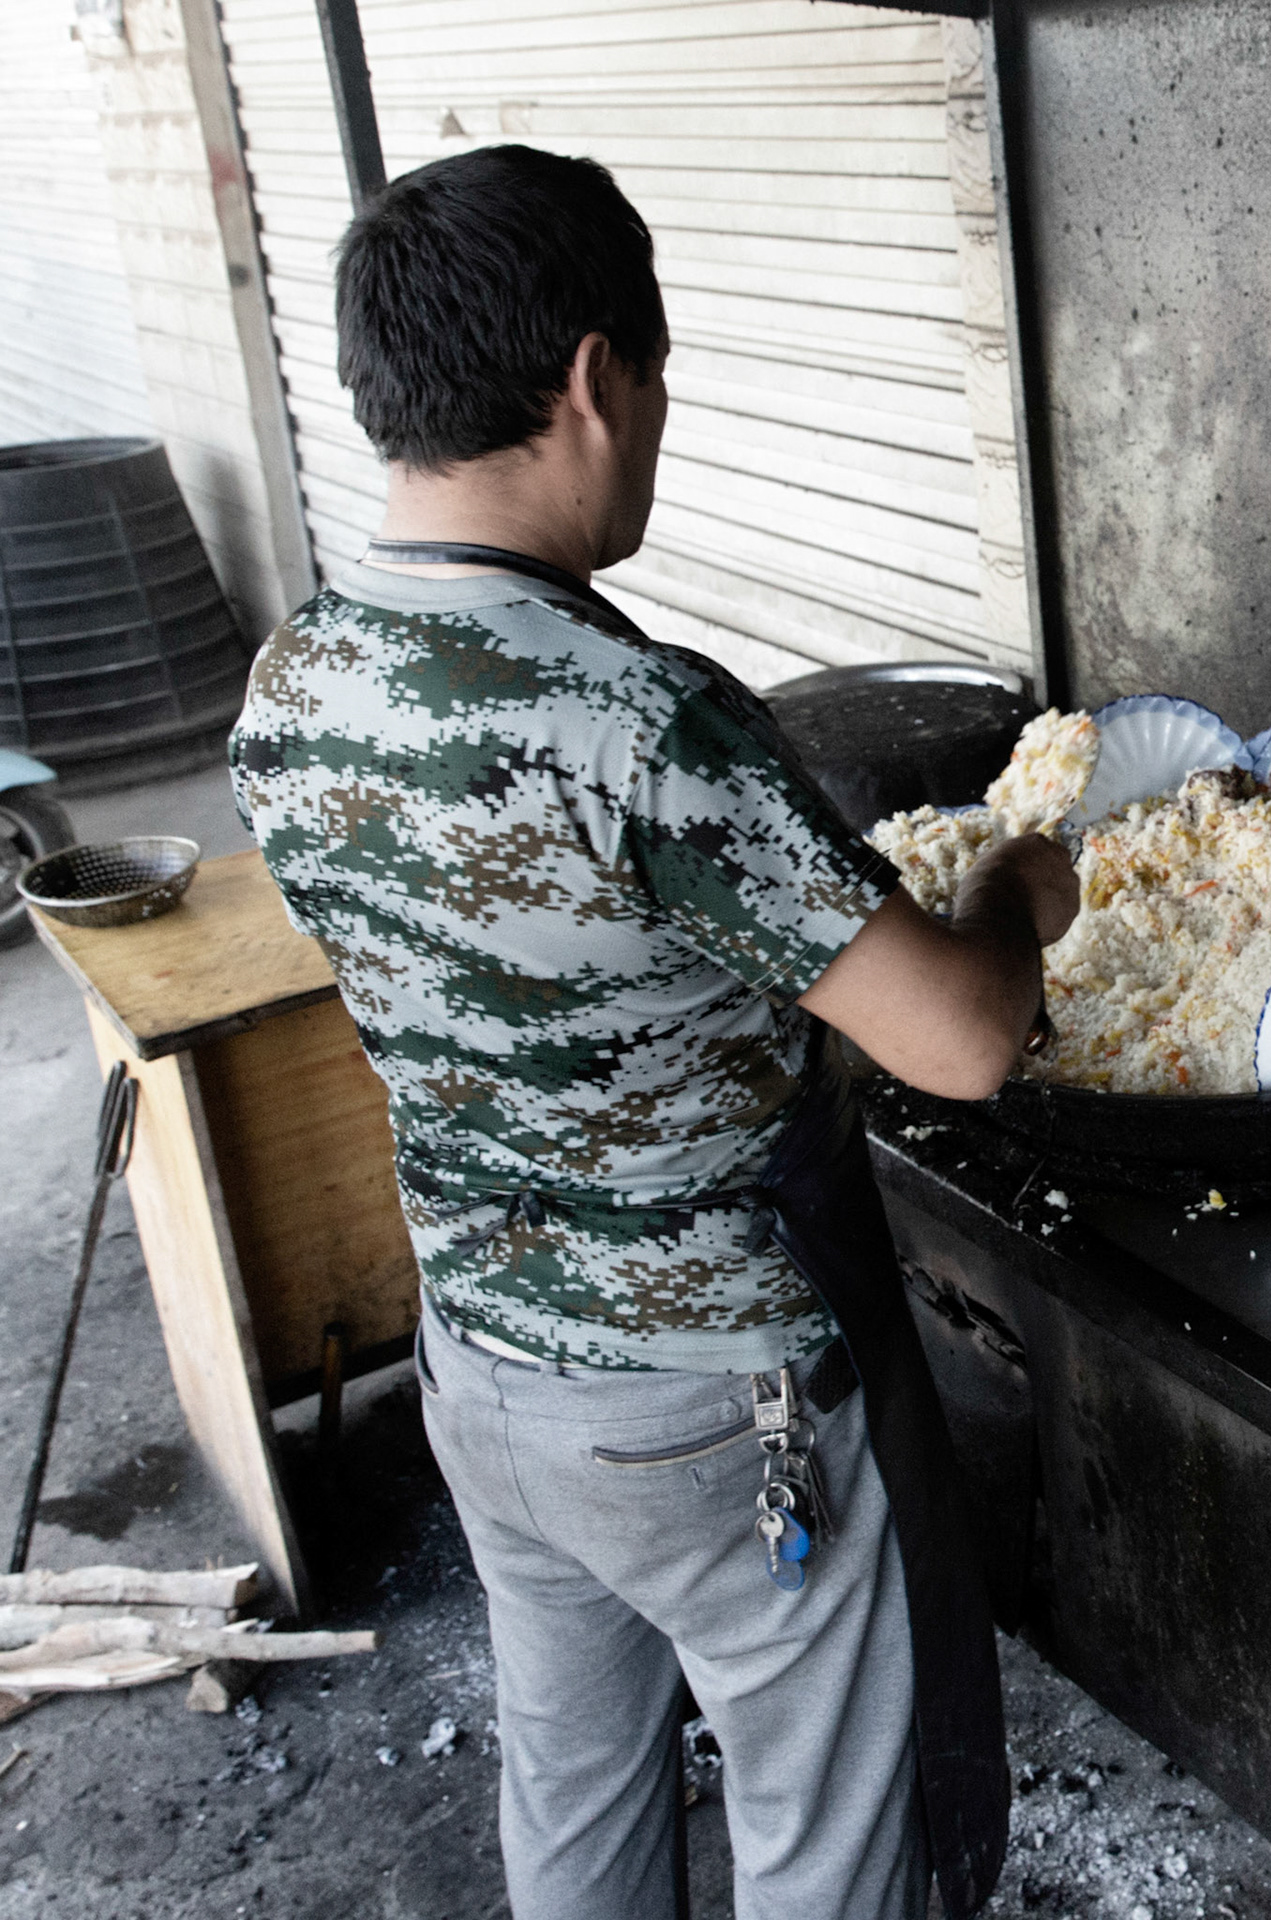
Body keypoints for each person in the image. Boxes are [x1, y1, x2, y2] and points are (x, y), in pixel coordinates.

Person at [228, 144, 1077, 1920]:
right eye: (666, 380)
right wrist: (1021, 889)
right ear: (599, 381)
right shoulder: (643, 720)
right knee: (826, 1848)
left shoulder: (296, 681)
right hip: (711, 1408)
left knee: (579, 1799)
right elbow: (966, 1040)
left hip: (485, 1359)